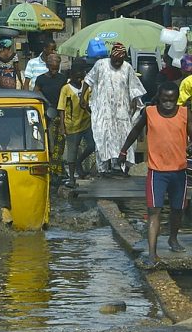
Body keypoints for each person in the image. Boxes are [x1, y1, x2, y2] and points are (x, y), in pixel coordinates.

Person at [118, 82, 192, 269]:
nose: (168, 104)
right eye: (165, 100)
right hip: (157, 172)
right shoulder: (149, 112)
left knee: (178, 209)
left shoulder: (184, 113)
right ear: (159, 98)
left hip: (179, 171)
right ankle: (152, 253)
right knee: (154, 211)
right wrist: (124, 150)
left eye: (172, 100)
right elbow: (135, 131)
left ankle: (173, 239)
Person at [80, 42, 146, 176]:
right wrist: (82, 97)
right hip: (103, 110)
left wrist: (134, 100)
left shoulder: (127, 68)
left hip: (121, 110)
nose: (117, 63)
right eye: (115, 60)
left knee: (121, 137)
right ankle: (103, 169)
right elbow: (88, 80)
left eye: (120, 61)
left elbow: (134, 86)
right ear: (111, 56)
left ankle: (119, 167)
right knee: (102, 137)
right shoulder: (100, 64)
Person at [57, 61, 95, 188]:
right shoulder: (66, 89)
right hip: (72, 125)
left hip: (85, 123)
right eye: (77, 74)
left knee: (92, 145)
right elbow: (61, 108)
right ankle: (72, 177)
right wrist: (62, 126)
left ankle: (79, 162)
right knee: (72, 151)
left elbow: (90, 104)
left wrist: (87, 107)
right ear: (72, 74)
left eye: (82, 74)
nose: (80, 77)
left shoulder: (86, 87)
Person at [34, 53, 67, 176]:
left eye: (56, 68)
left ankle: (57, 168)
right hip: (46, 115)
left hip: (60, 113)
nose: (54, 71)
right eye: (52, 68)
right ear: (47, 66)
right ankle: (50, 167)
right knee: (49, 142)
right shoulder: (41, 79)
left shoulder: (62, 78)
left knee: (60, 141)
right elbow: (36, 93)